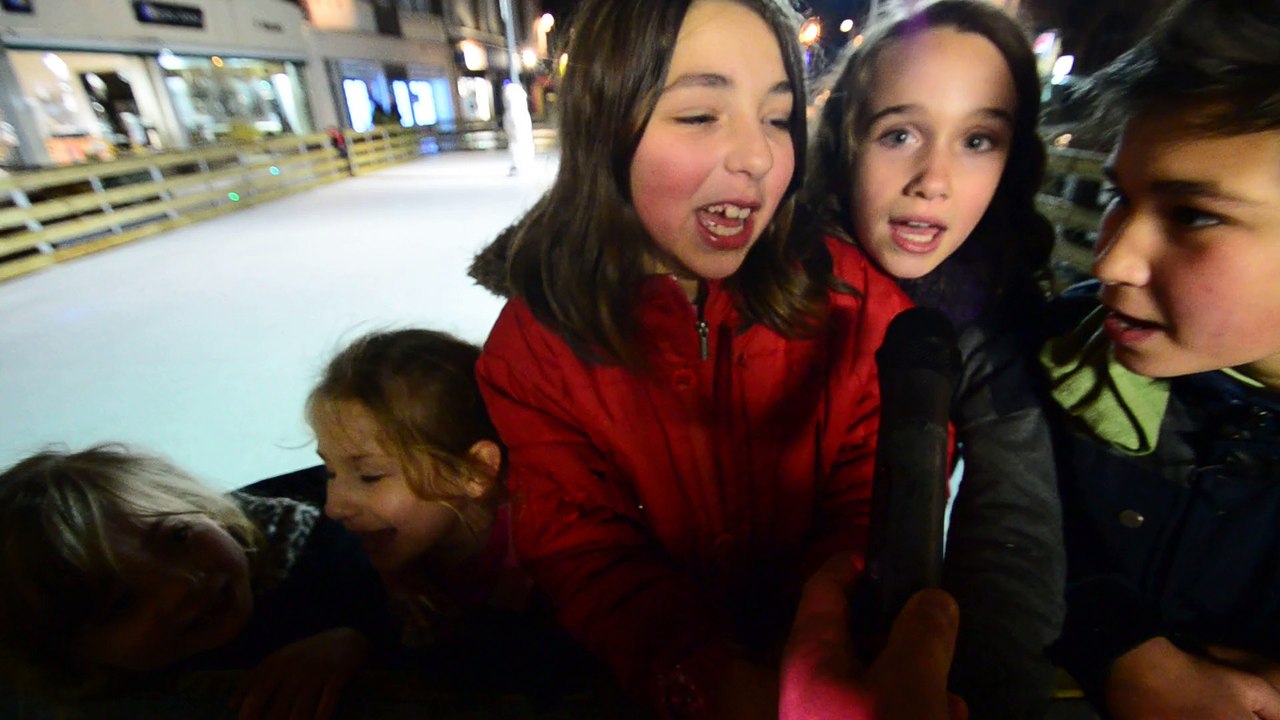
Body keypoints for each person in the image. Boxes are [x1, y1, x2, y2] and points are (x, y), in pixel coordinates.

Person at [471, 0, 925, 716]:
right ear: (604, 126)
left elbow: (881, 495)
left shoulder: (858, 306)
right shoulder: (535, 350)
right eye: (699, 115)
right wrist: (710, 681)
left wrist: (821, 635)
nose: (758, 156)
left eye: (777, 118)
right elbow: (584, 551)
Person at [799, 2, 1066, 717]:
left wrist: (982, 695)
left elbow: (1015, 527)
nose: (934, 179)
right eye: (900, 134)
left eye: (978, 140)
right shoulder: (779, 279)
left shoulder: (992, 318)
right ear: (846, 141)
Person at [1038, 0, 1280, 716]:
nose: (1111, 261)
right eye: (1119, 196)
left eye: (1194, 215)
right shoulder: (1060, 353)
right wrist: (1122, 652)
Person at [0, 444, 391, 720]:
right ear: (68, 655)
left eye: (178, 536)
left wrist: (358, 638)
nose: (181, 586)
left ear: (209, 512)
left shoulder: (347, 553)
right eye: (122, 602)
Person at [306, 328, 590, 702]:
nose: (334, 506)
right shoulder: (378, 553)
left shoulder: (558, 555)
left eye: (370, 476)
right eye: (330, 473)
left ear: (473, 472)